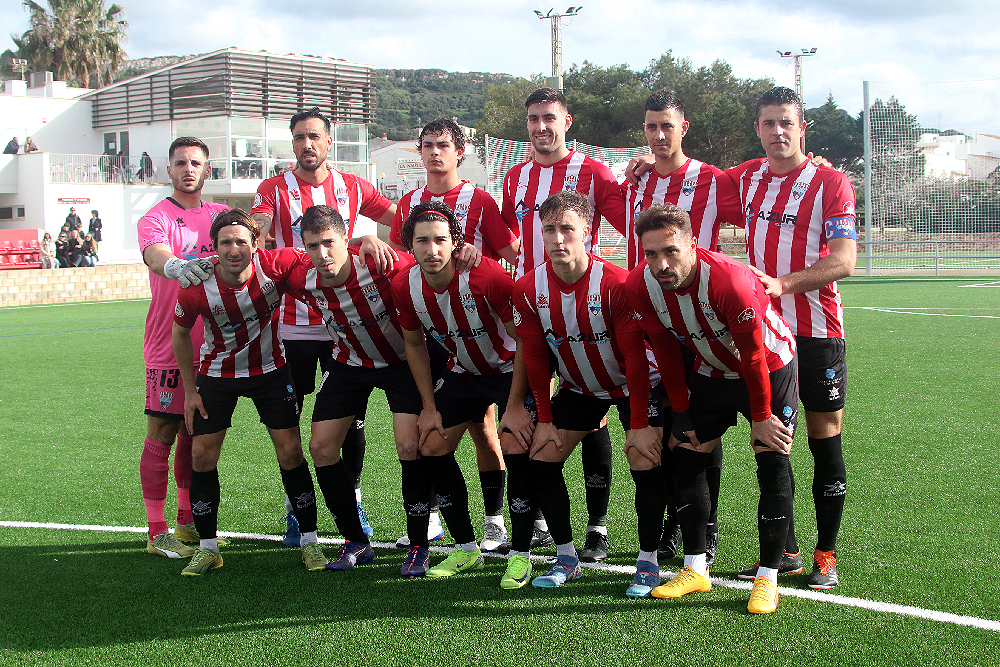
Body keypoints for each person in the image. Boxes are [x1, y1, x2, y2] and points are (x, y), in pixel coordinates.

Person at [625, 202, 798, 614]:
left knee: (771, 457)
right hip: (712, 370)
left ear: (693, 244)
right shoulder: (640, 286)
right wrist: (681, 412)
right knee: (687, 453)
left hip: (769, 367)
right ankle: (695, 567)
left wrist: (760, 418)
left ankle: (768, 576)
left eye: (670, 251)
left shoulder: (729, 280)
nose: (661, 264)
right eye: (651, 254)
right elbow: (665, 348)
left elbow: (754, 354)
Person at [727, 87, 857, 590]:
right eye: (768, 123)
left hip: (817, 331)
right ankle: (786, 551)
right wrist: (645, 166)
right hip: (765, 335)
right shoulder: (747, 177)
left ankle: (826, 553)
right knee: (772, 443)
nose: (777, 132)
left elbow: (844, 261)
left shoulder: (831, 182)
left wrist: (783, 284)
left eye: (787, 122)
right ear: (757, 129)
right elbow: (686, 178)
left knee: (824, 443)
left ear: (802, 128)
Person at [252, 106, 397, 544]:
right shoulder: (275, 188)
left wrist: (375, 240)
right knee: (289, 420)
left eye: (314, 136)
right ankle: (298, 508)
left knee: (348, 420)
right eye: (299, 137)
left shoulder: (353, 186)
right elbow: (258, 220)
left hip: (343, 326)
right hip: (293, 324)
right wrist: (252, 232)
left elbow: (400, 218)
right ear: (291, 143)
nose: (307, 145)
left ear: (329, 141)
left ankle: (352, 498)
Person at [501, 87, 629, 562]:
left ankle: (597, 525)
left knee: (593, 412)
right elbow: (501, 235)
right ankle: (537, 519)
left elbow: (631, 224)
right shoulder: (515, 177)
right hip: (537, 312)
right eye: (533, 118)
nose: (540, 127)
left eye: (549, 118)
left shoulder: (593, 172)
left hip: (590, 306)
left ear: (567, 121)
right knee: (536, 415)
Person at [389, 117, 522, 552]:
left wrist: (482, 264)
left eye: (442, 145)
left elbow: (512, 254)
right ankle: (442, 527)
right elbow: (397, 257)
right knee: (432, 436)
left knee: (497, 433)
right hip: (445, 338)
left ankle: (510, 521)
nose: (434, 152)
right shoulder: (409, 202)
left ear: (459, 151)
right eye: (426, 145)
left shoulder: (479, 199)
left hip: (491, 322)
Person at [625, 91, 746, 565]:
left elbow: (765, 194)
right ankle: (677, 520)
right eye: (651, 127)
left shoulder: (713, 181)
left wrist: (810, 160)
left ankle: (705, 524)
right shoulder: (633, 182)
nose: (658, 135)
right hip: (651, 315)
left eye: (666, 127)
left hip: (701, 320)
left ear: (684, 128)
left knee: (697, 430)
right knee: (670, 423)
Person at [513, 190, 657, 589]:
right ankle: (566, 557)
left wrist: (640, 422)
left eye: (567, 230)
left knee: (644, 461)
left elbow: (633, 358)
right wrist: (543, 419)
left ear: (587, 233)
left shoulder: (615, 284)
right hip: (579, 389)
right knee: (541, 457)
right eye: (549, 230)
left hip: (632, 386)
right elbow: (537, 360)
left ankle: (647, 561)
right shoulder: (528, 289)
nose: (558, 239)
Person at [172, 209, 325, 576]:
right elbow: (180, 333)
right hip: (216, 375)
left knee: (290, 451)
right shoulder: (196, 287)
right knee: (202, 456)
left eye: (242, 241)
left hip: (271, 371)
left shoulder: (275, 267)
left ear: (256, 244)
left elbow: (324, 252)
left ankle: (309, 540)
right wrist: (190, 391)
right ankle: (208, 548)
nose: (234, 248)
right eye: (226, 242)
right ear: (215, 247)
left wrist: (364, 242)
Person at [393, 200, 536, 586]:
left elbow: (525, 340)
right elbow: (415, 345)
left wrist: (514, 405)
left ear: (456, 242)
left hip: (511, 369)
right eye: (422, 241)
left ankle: (520, 553)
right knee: (432, 445)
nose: (432, 249)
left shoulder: (485, 275)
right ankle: (466, 548)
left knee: (516, 444)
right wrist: (427, 407)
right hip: (465, 373)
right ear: (410, 244)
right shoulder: (404, 286)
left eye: (441, 240)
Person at [277, 204, 425, 577]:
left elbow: (431, 265)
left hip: (401, 364)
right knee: (321, 448)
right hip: (349, 364)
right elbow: (252, 255)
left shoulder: (384, 263)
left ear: (346, 239)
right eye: (313, 246)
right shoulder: (302, 277)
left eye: (330, 242)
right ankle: (356, 540)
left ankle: (419, 545)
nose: (323, 254)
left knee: (410, 446)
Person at [137, 136, 230, 559]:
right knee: (163, 431)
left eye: (196, 162)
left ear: (207, 170)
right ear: (168, 171)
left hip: (214, 348)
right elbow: (156, 255)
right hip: (169, 346)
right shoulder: (156, 217)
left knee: (197, 433)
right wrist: (177, 265)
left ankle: (187, 520)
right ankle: (157, 531)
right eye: (180, 163)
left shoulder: (220, 217)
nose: (188, 169)